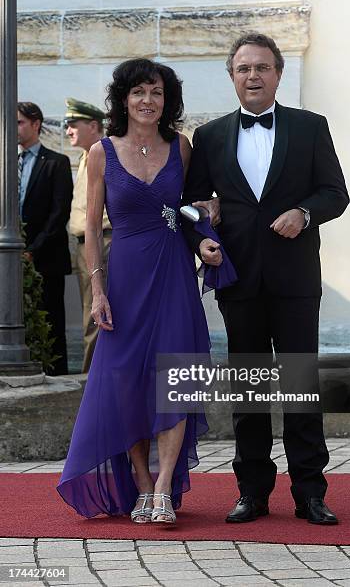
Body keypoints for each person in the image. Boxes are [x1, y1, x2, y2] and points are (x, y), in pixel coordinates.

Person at [182, 33, 350, 525]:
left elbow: (335, 193)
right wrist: (200, 242)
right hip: (239, 281)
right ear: (232, 77)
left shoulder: (309, 127)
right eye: (243, 69)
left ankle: (310, 493)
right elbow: (193, 208)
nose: (252, 76)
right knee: (249, 391)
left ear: (279, 73)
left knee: (299, 387)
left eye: (261, 67)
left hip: (296, 279)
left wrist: (304, 211)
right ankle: (252, 492)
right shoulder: (209, 137)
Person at [57, 59, 220, 524]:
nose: (148, 101)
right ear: (124, 100)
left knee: (176, 376)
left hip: (172, 274)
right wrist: (98, 290)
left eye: (157, 93)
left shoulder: (182, 148)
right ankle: (142, 485)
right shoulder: (102, 153)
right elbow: (90, 226)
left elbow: (192, 210)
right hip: (124, 278)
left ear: (167, 102)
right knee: (126, 382)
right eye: (139, 93)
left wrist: (207, 226)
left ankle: (165, 487)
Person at [17, 102, 73, 376]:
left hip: (46, 259)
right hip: (11, 260)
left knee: (51, 321)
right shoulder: (6, 163)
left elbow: (59, 212)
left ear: (36, 123)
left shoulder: (56, 163)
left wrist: (32, 250)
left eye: (19, 123)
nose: (14, 129)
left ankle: (57, 378)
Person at [65, 99, 111, 373]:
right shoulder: (85, 158)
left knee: (97, 313)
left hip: (104, 240)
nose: (68, 130)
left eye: (73, 125)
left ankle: (91, 379)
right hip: (86, 243)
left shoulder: (103, 154)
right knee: (90, 312)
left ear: (93, 125)